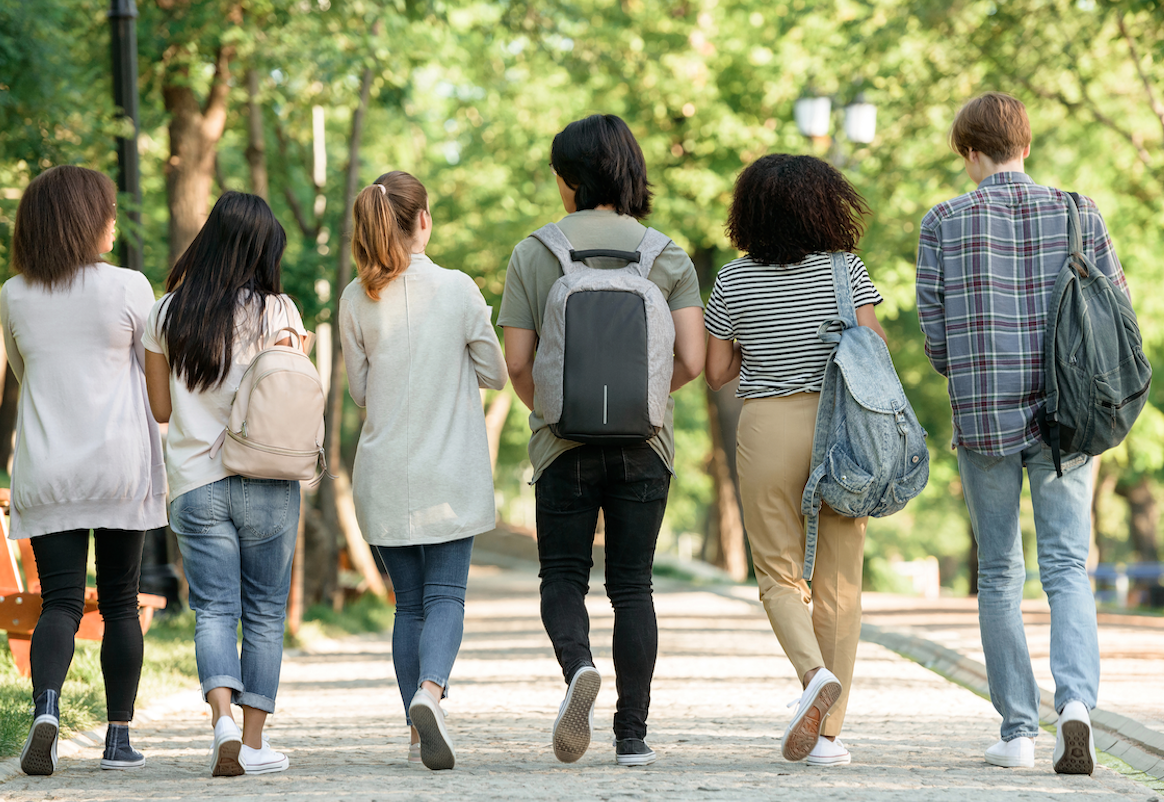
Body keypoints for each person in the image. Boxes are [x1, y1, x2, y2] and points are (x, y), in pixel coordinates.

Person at [916, 92, 1127, 774]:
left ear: (970, 154)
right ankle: (1076, 708)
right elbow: (1114, 307)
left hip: (985, 418)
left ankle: (1016, 733)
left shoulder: (942, 221)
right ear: (1025, 146)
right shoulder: (1077, 211)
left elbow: (935, 332)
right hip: (1071, 417)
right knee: (1068, 568)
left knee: (1000, 573)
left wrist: (975, 371)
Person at [498, 114, 705, 767]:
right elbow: (694, 359)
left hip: (563, 446)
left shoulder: (536, 251)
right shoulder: (666, 253)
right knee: (633, 585)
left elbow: (518, 363)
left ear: (570, 181)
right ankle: (632, 736)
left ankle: (579, 668)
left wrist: (559, 411)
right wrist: (644, 401)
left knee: (563, 575)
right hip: (647, 446)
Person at [704, 154, 886, 767]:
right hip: (840, 428)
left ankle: (813, 676)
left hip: (768, 425)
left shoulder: (732, 279)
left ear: (747, 212)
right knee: (839, 581)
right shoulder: (847, 270)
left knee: (779, 574)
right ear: (824, 205)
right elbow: (873, 350)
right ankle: (827, 737)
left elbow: (717, 372)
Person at [2, 165, 167, 776]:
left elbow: (24, 373)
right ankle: (117, 740)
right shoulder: (130, 286)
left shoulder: (13, 293)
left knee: (61, 602)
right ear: (84, 219)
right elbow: (154, 377)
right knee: (121, 601)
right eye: (109, 212)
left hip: (48, 470)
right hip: (119, 467)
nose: (115, 223)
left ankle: (46, 708)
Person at [339, 171, 507, 771]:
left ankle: (415, 733)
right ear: (423, 221)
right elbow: (494, 371)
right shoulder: (459, 289)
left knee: (408, 605)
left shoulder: (356, 299)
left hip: (384, 472)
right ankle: (430, 693)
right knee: (446, 597)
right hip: (449, 473)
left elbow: (360, 390)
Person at [143, 191, 307, 777]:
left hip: (194, 481)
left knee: (213, 609)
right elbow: (292, 395)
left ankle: (222, 724)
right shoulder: (279, 311)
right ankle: (256, 744)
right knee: (264, 612)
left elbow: (161, 409)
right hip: (267, 478)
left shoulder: (165, 313)